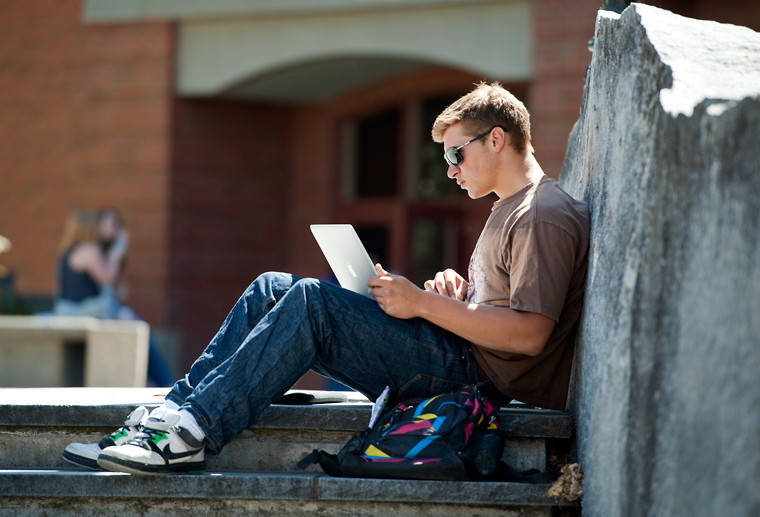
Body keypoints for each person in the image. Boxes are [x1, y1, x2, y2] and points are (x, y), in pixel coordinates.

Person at [62, 82, 589, 476]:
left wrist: (423, 306)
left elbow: (528, 334)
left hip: (478, 381)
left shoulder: (542, 214)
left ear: (497, 139)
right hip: (459, 353)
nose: (451, 169)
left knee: (313, 302)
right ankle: (166, 415)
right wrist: (458, 293)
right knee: (273, 286)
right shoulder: (509, 208)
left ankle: (191, 433)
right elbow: (502, 307)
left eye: (457, 153)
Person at [53, 209, 174, 386]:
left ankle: (161, 381)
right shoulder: (89, 250)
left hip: (67, 310)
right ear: (89, 229)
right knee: (141, 331)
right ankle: (166, 383)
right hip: (85, 311)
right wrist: (118, 251)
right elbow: (108, 278)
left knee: (132, 323)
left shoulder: (68, 250)